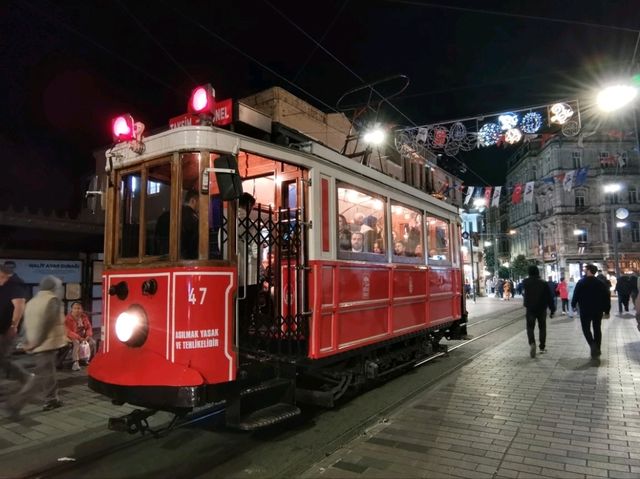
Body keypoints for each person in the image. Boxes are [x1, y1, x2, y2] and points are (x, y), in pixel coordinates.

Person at [5, 276, 67, 417]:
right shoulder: (52, 300)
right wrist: (36, 342)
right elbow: (47, 323)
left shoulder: (32, 301)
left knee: (48, 373)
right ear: (53, 287)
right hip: (45, 344)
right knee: (40, 377)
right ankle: (14, 405)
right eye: (58, 286)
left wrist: (25, 341)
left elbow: (25, 325)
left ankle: (52, 399)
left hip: (38, 344)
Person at [0, 264, 32, 394]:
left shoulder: (15, 285)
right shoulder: (4, 286)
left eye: (1, 277)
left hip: (6, 330)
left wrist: (13, 326)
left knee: (3, 359)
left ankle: (26, 377)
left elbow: (19, 305)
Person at [571, 264, 611, 359]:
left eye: (585, 269)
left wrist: (573, 305)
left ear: (589, 270)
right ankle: (597, 348)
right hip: (598, 310)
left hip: (585, 309)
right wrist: (607, 310)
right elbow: (606, 297)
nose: (584, 270)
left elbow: (576, 295)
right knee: (597, 328)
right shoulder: (600, 283)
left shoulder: (581, 282)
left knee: (586, 328)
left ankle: (592, 345)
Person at [522, 265, 555, 358]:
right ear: (538, 272)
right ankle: (542, 347)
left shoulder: (526, 282)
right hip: (541, 309)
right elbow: (549, 297)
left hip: (530, 309)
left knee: (530, 327)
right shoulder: (543, 283)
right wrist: (552, 309)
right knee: (542, 328)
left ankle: (532, 343)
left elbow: (524, 293)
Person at [64, 302, 96, 371]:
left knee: (92, 342)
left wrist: (88, 335)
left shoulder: (84, 317)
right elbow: (68, 331)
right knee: (76, 343)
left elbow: (89, 327)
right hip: (71, 336)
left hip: (83, 335)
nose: (77, 310)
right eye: (75, 308)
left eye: (79, 308)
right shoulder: (68, 318)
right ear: (72, 309)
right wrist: (79, 338)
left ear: (81, 309)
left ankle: (87, 359)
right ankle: (75, 362)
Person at [180, 190, 200, 259]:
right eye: (199, 202)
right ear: (193, 201)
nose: (200, 206)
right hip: (188, 259)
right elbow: (195, 243)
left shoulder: (176, 214)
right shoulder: (193, 218)